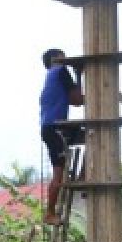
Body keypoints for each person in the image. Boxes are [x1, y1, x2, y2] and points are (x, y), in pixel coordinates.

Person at [39, 47, 84, 225]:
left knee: (92, 136)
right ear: (55, 59)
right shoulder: (61, 71)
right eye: (62, 56)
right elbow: (78, 100)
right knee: (59, 173)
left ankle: (82, 176)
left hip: (52, 128)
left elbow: (74, 100)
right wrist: (79, 75)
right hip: (56, 128)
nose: (66, 58)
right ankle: (49, 213)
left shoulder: (51, 77)